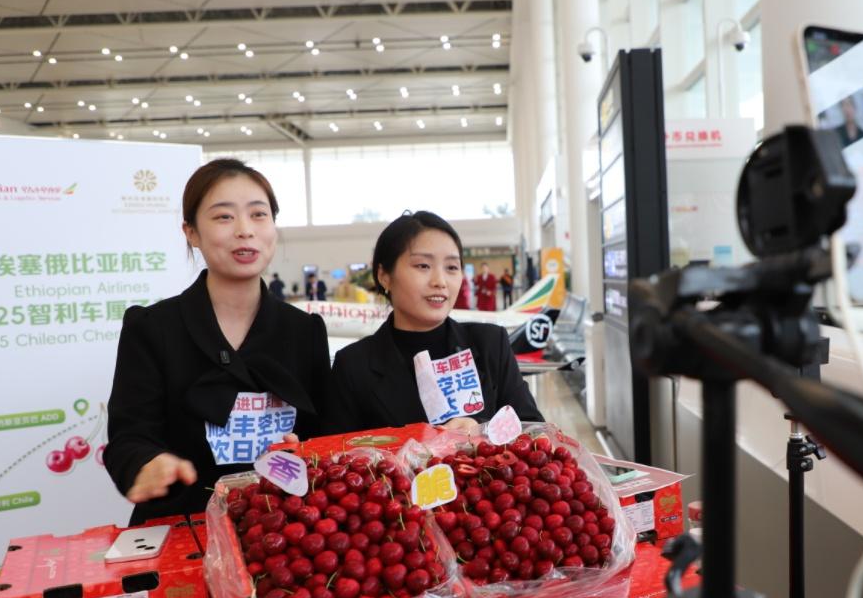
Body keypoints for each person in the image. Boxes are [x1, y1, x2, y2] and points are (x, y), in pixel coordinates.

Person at [104, 159, 331, 524]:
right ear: (191, 232)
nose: (245, 230)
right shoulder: (153, 327)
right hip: (184, 527)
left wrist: (310, 452)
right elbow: (129, 438)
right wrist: (148, 463)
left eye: (259, 214)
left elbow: (326, 436)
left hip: (282, 531)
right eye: (224, 217)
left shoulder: (304, 331)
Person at [323, 211, 543, 434]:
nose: (440, 281)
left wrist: (483, 430)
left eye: (452, 268)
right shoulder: (353, 366)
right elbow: (334, 454)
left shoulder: (491, 344)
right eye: (423, 266)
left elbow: (535, 430)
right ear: (384, 276)